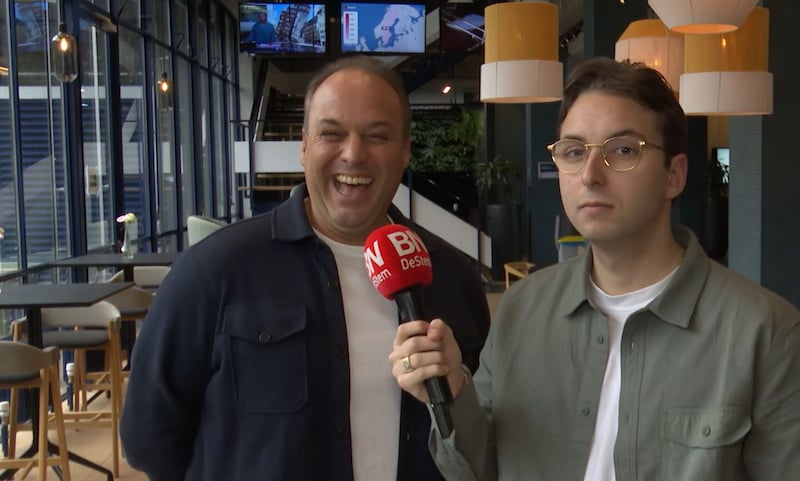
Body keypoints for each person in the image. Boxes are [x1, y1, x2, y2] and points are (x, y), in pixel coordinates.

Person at [390, 57, 800, 481]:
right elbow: (476, 470)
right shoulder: (519, 310)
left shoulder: (765, 332)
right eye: (573, 151)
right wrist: (453, 391)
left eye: (622, 150)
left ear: (674, 175)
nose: (590, 174)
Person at [120, 56, 490, 481]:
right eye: (331, 133)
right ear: (303, 146)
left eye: (377, 136)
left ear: (405, 150)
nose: (353, 154)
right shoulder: (213, 272)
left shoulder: (453, 276)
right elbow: (149, 440)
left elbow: (486, 433)